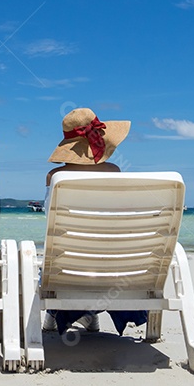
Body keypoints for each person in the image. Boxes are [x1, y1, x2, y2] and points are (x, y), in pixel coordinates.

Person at [42, 107, 147, 336]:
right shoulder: (115, 172)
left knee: (59, 256)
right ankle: (88, 315)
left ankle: (58, 314)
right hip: (116, 268)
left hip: (68, 270)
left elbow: (51, 220)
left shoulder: (55, 177)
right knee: (102, 252)